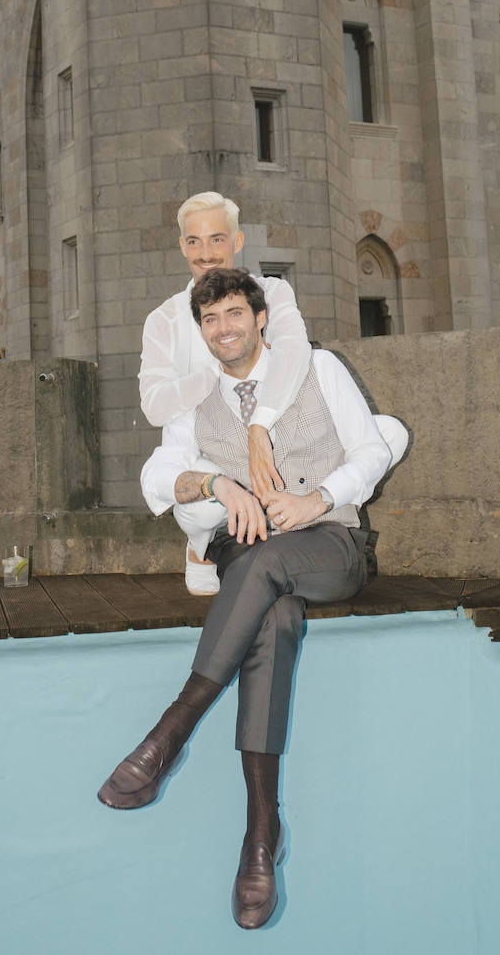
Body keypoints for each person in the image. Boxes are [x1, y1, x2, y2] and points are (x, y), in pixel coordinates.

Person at [101, 268, 394, 928]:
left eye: (234, 313)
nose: (224, 328)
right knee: (274, 619)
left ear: (261, 319)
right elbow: (159, 473)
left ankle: (170, 732)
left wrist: (317, 497)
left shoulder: (318, 367)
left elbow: (372, 450)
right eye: (210, 319)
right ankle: (261, 834)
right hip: (248, 557)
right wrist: (214, 484)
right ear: (201, 331)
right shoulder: (195, 396)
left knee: (263, 572)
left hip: (330, 545)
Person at [139, 191, 311, 593]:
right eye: (194, 241)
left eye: (217, 239)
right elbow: (154, 406)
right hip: (210, 448)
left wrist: (260, 426)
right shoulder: (163, 320)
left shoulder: (274, 293)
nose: (206, 253)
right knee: (191, 495)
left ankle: (282, 525)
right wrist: (215, 373)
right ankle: (202, 545)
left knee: (385, 434)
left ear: (237, 241)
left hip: (278, 435)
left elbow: (295, 355)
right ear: (182, 246)